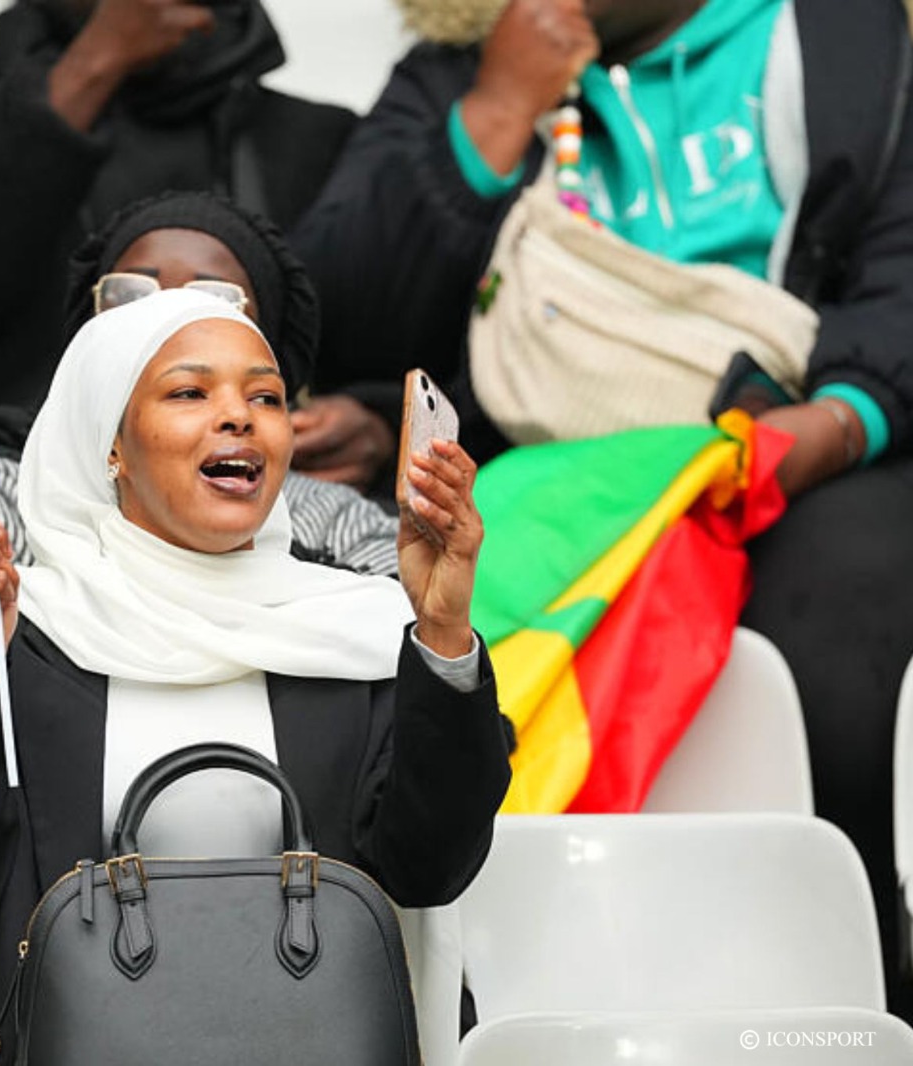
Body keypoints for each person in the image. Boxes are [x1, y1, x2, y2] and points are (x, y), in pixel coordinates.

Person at [291, 0, 913, 1006]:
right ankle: (498, 998)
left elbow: (898, 266)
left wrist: (846, 416)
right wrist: (496, 111)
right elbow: (339, 314)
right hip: (539, 467)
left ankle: (849, 991)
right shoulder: (466, 66)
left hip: (801, 439)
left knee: (844, 626)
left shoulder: (840, 35)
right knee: (425, 635)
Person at [0, 289, 513, 1064]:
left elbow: (432, 870)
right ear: (111, 443)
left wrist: (443, 631)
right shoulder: (16, 634)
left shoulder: (360, 629)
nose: (239, 416)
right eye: (188, 392)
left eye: (266, 397)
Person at [0, 190, 402, 759]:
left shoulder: (338, 524)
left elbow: (408, 735)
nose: (166, 313)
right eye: (127, 295)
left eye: (214, 299)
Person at [0, 0, 396, 496]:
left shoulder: (318, 137)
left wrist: (377, 423)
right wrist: (96, 63)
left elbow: (412, 350)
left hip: (255, 516)